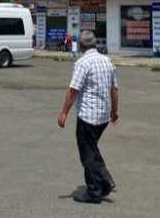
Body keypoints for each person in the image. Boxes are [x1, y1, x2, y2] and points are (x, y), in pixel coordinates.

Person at [57, 30, 118, 204]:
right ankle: (105, 181)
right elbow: (114, 89)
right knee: (92, 148)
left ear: (81, 46)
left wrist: (63, 113)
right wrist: (115, 110)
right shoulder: (107, 61)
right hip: (103, 117)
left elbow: (73, 90)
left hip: (88, 116)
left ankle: (95, 190)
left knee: (87, 154)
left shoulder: (82, 63)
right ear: (95, 44)